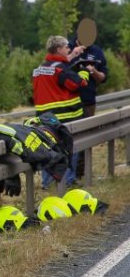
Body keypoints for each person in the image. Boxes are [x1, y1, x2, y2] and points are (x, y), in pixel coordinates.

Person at [32, 35, 87, 187]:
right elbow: (79, 84)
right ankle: (68, 181)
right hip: (65, 116)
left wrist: (72, 56)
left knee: (48, 149)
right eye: (66, 47)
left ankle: (47, 183)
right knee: (69, 149)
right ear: (58, 49)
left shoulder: (39, 69)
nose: (69, 48)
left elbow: (56, 70)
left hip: (44, 118)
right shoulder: (60, 70)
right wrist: (84, 70)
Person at [67, 33, 107, 180]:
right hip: (69, 103)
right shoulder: (67, 48)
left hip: (88, 101)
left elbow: (103, 77)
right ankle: (66, 175)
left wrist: (93, 71)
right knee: (69, 139)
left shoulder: (97, 52)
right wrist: (72, 55)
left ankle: (80, 174)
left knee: (85, 138)